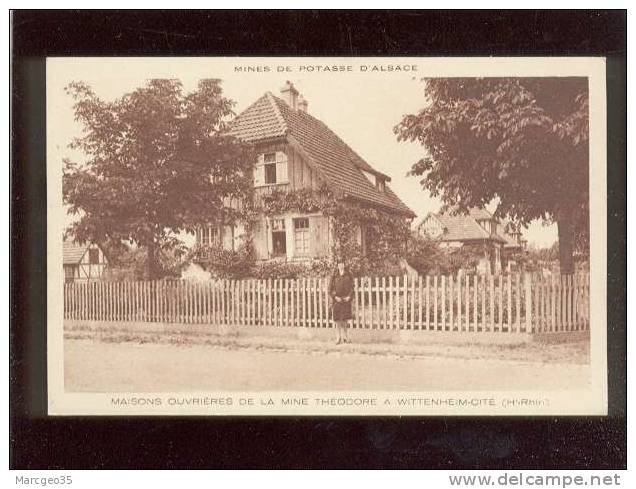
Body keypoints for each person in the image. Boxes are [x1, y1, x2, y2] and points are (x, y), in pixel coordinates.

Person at [328, 261, 354, 344]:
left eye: (342, 264)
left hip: (346, 300)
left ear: (344, 265)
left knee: (345, 320)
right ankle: (338, 338)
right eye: (339, 264)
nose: (341, 266)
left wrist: (349, 296)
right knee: (337, 320)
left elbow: (352, 288)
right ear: (337, 265)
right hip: (337, 301)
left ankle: (346, 337)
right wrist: (335, 297)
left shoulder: (348, 275)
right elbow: (330, 289)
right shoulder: (334, 276)